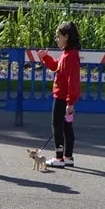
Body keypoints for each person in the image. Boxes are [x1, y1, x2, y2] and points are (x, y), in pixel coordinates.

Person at [36, 21, 82, 168]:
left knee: (57, 126)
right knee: (66, 126)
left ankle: (59, 157)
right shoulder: (67, 54)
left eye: (58, 36)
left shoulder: (70, 56)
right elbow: (56, 66)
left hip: (62, 98)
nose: (56, 39)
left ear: (66, 37)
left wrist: (70, 102)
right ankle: (68, 156)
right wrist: (45, 57)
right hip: (64, 97)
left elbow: (72, 80)